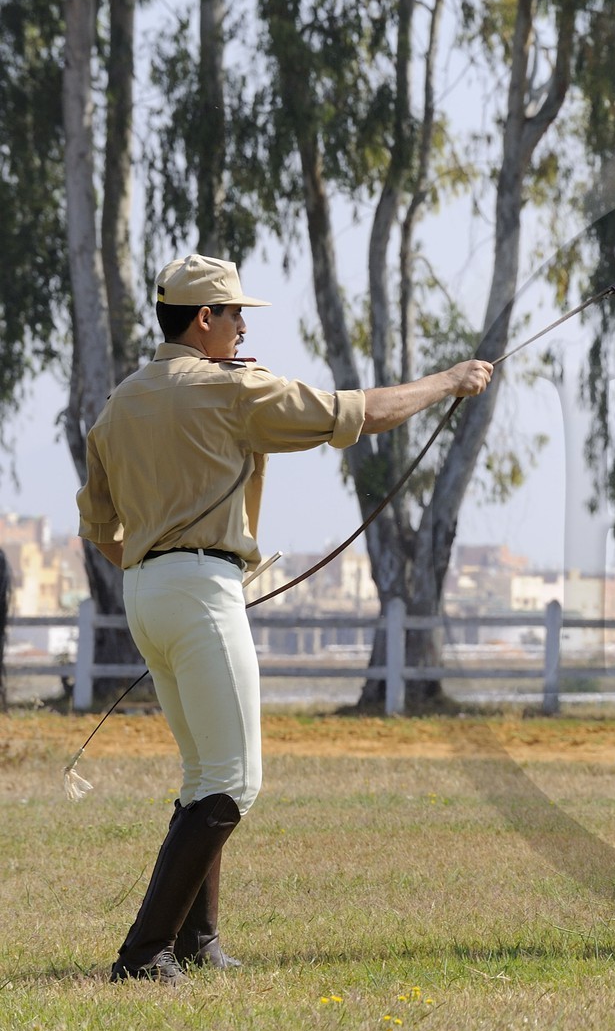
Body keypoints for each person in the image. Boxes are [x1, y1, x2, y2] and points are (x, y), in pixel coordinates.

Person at [76, 254, 493, 985]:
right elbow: (353, 414)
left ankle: (193, 944)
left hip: (144, 592)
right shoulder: (229, 389)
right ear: (203, 319)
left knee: (205, 771)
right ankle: (142, 955)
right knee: (234, 782)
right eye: (236, 314)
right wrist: (449, 381)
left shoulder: (118, 403)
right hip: (201, 589)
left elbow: (99, 527)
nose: (242, 327)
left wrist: (156, 570)